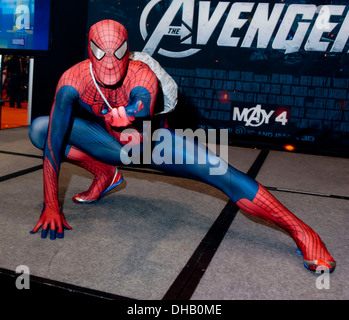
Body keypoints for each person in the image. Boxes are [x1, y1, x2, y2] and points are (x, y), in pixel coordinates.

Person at [28, 20, 336, 273]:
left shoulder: (142, 72)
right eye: (101, 56)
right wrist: (51, 205)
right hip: (111, 145)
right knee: (41, 129)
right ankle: (105, 174)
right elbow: (54, 146)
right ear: (89, 53)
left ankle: (302, 231)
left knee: (222, 174)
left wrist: (131, 114)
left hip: (152, 144)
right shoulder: (72, 81)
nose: (110, 64)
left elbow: (142, 104)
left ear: (127, 52)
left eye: (117, 56)